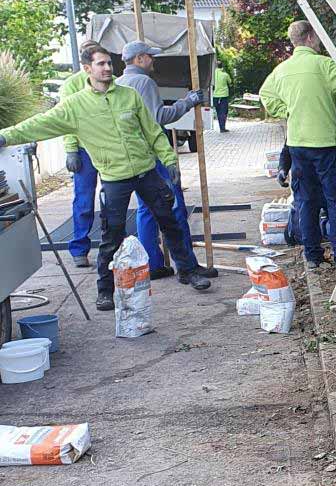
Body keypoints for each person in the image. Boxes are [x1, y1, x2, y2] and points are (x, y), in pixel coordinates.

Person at [0, 43, 213, 310]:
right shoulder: (75, 106)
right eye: (100, 64)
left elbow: (152, 131)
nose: (107, 68)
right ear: (87, 69)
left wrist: (169, 160)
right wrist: (6, 136)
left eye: (109, 64)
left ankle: (188, 271)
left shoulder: (129, 96)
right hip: (115, 179)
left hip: (146, 171)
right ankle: (104, 291)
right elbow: (40, 123)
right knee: (111, 235)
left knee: (170, 222)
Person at [259, 20, 336, 268]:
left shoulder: (281, 70)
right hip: (325, 144)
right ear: (312, 37)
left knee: (305, 201)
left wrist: (287, 111)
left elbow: (265, 95)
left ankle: (312, 256)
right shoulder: (323, 65)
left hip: (297, 145)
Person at [117, 41, 216, 282]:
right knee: (174, 209)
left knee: (146, 210)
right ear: (139, 59)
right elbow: (158, 117)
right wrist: (188, 102)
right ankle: (187, 267)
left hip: (135, 158)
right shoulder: (143, 82)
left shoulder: (118, 83)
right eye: (150, 57)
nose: (153, 61)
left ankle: (152, 264)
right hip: (155, 155)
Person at [57, 66, 97, 267]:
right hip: (83, 150)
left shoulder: (112, 80)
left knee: (114, 199)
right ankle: (79, 248)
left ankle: (117, 244)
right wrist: (71, 149)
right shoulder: (72, 84)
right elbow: (66, 119)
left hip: (107, 148)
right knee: (84, 200)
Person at [212, 60, 232, 133]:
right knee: (223, 112)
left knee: (218, 112)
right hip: (223, 96)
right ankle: (222, 128)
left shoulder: (212, 75)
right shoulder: (225, 75)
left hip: (215, 96)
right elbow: (230, 82)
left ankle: (221, 126)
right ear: (222, 67)